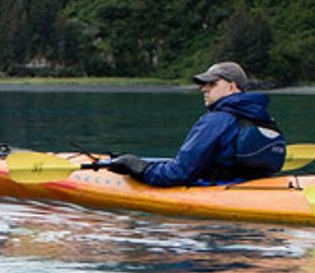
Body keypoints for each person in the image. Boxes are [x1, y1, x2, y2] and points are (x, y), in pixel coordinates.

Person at [102, 61, 288, 186]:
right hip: (254, 187)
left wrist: (141, 170)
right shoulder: (264, 117)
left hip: (216, 190)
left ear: (231, 87)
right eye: (204, 85)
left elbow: (179, 172)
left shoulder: (217, 119)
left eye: (212, 84)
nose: (204, 89)